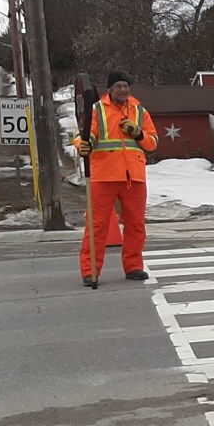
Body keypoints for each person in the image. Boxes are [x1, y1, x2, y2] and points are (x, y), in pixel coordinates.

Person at [76, 71, 158, 286]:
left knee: (136, 225)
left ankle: (133, 267)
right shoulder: (96, 110)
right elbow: (85, 135)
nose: (122, 89)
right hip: (103, 175)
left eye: (125, 85)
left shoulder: (139, 111)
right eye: (118, 86)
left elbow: (152, 143)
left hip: (134, 177)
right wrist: (83, 145)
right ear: (110, 89)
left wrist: (138, 133)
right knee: (96, 226)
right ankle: (90, 270)